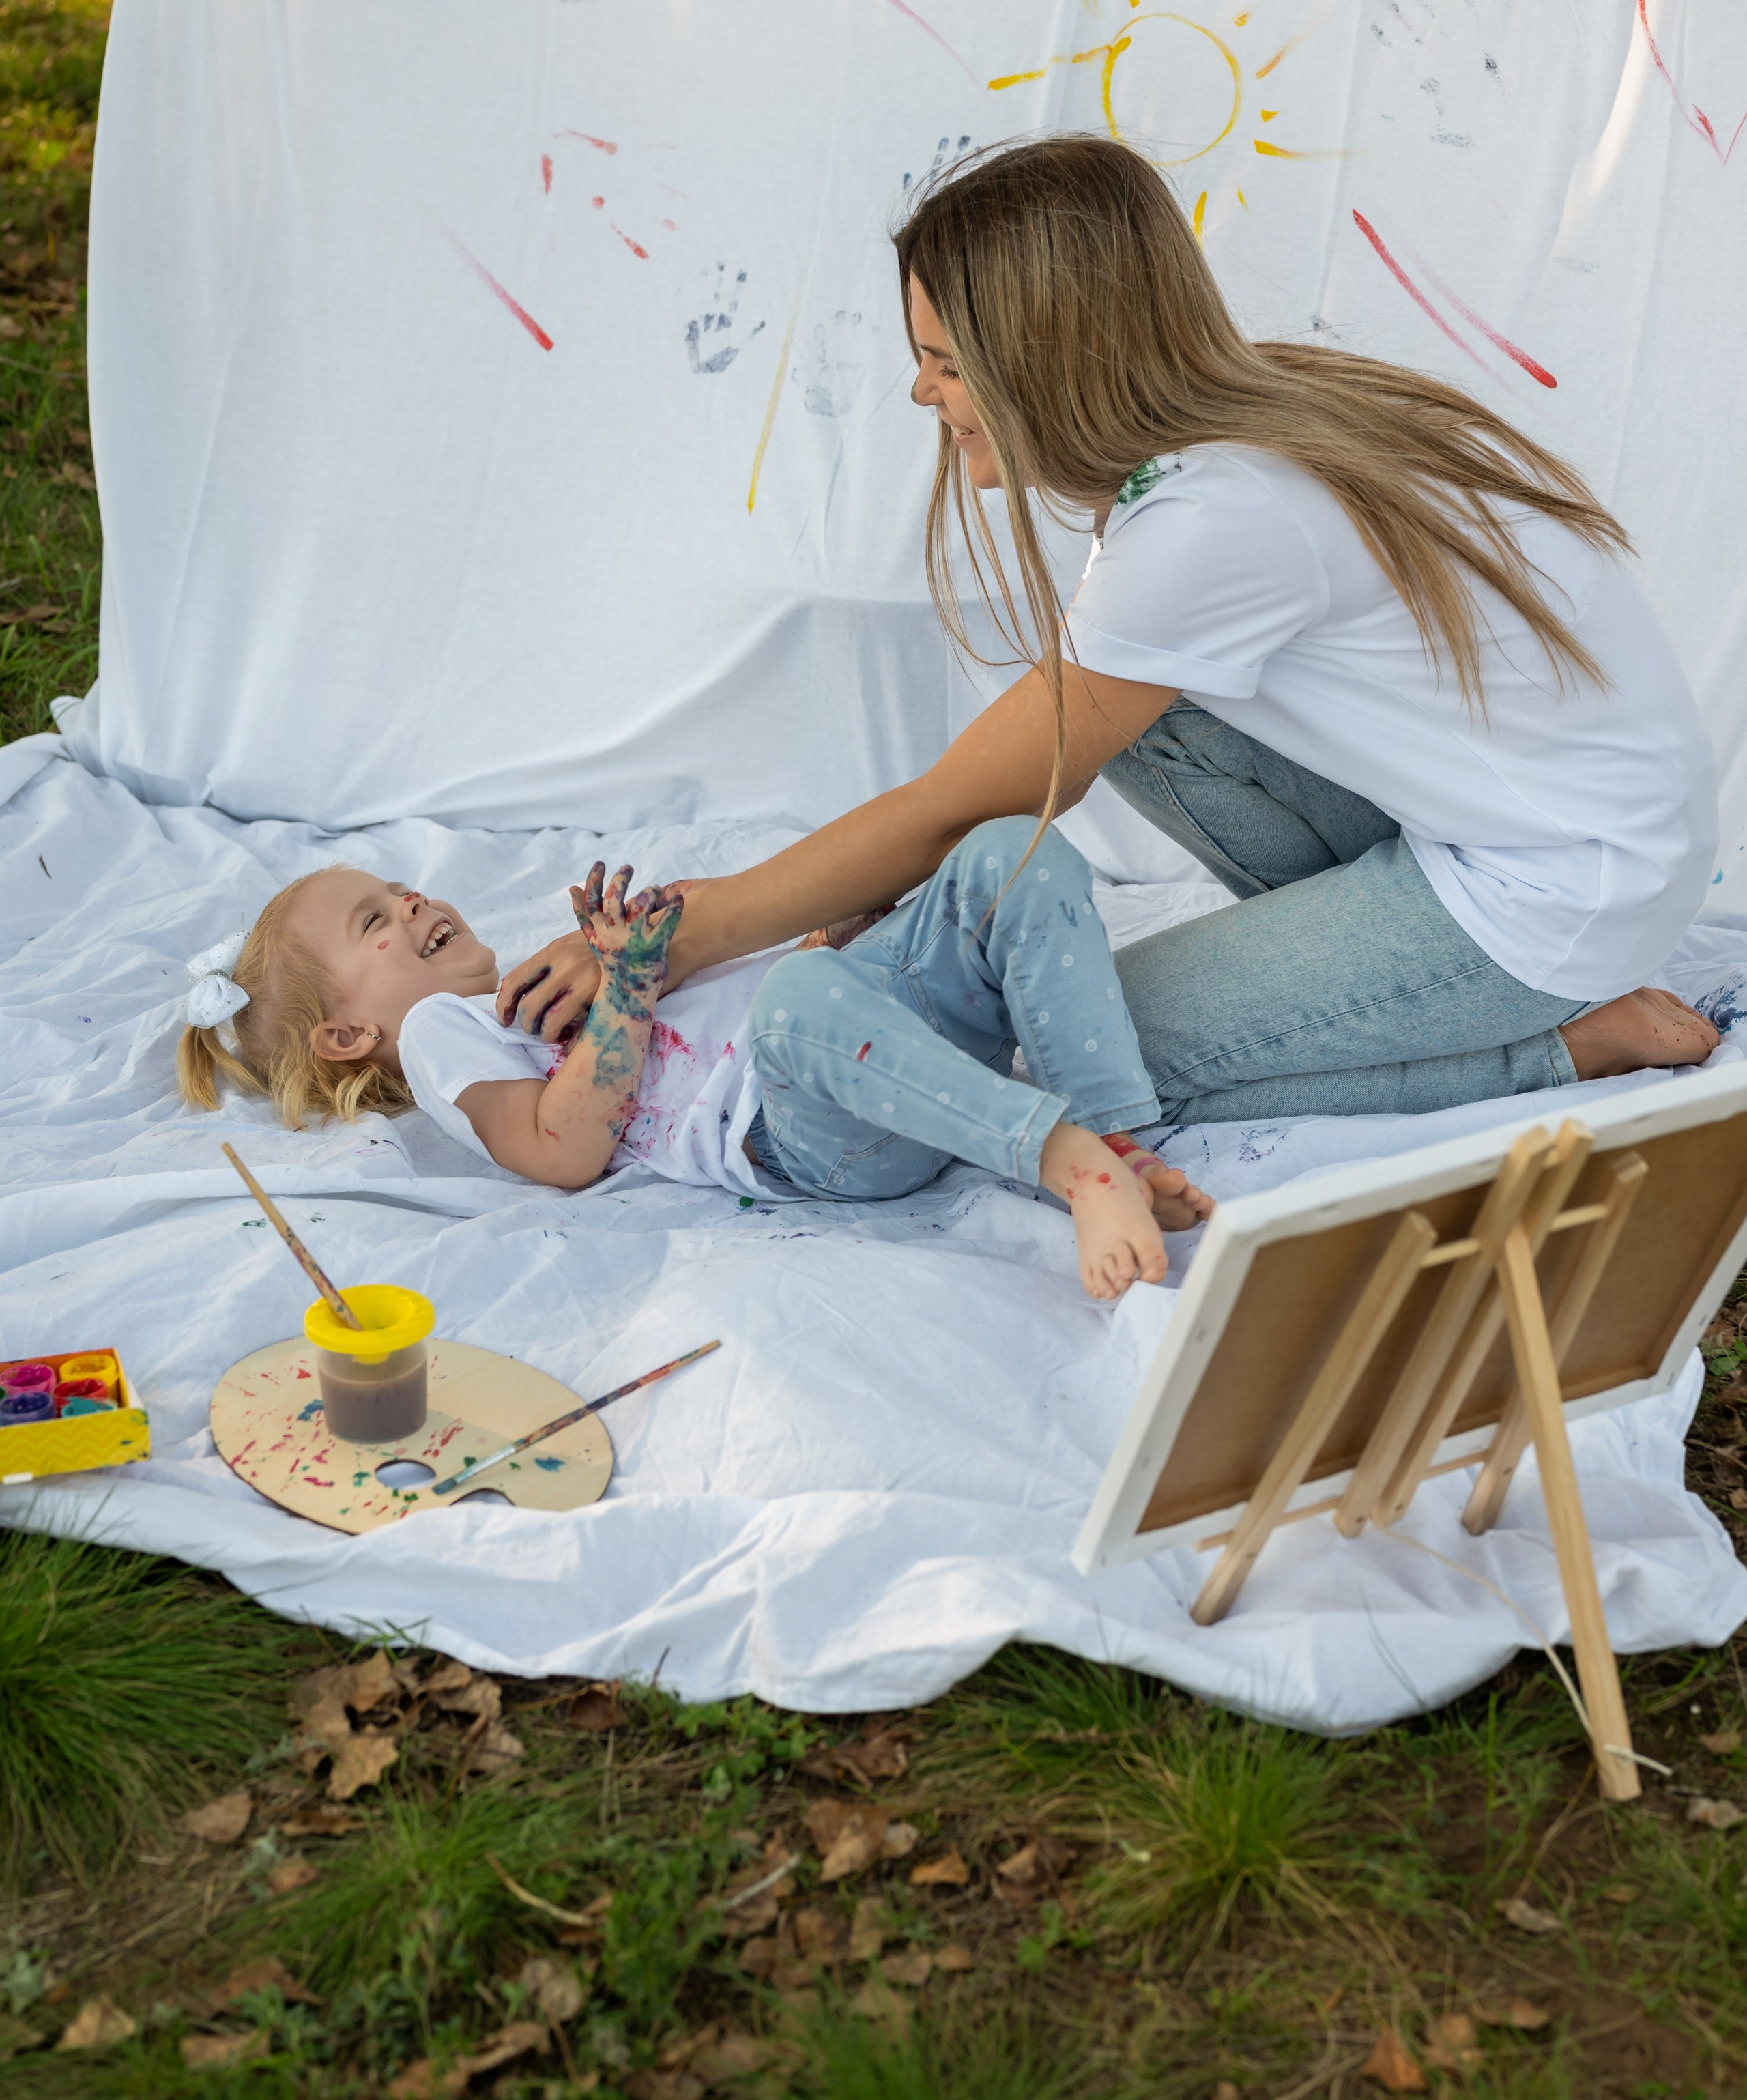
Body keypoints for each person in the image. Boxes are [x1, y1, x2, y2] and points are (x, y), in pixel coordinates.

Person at [501, 136, 1721, 1121]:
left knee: (1075, 1046)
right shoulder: (1225, 428)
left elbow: (951, 803)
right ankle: (1388, 973)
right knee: (1108, 707)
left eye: (944, 364)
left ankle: (1558, 1044)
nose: (923, 395)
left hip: (1561, 889)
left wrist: (674, 938)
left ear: (1044, 359)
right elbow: (1015, 766)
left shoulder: (1211, 520)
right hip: (1545, 821)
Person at [175, 826, 1213, 1301]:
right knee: (801, 1010)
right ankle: (1072, 1160)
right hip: (801, 1133)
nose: (412, 903)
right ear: (350, 1037)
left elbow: (736, 1000)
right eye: (376, 920)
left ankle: (1120, 1132)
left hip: (854, 1038)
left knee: (1003, 853)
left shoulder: (532, 988)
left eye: (398, 887)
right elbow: (561, 1148)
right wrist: (629, 986)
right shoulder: (448, 1040)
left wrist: (833, 937)